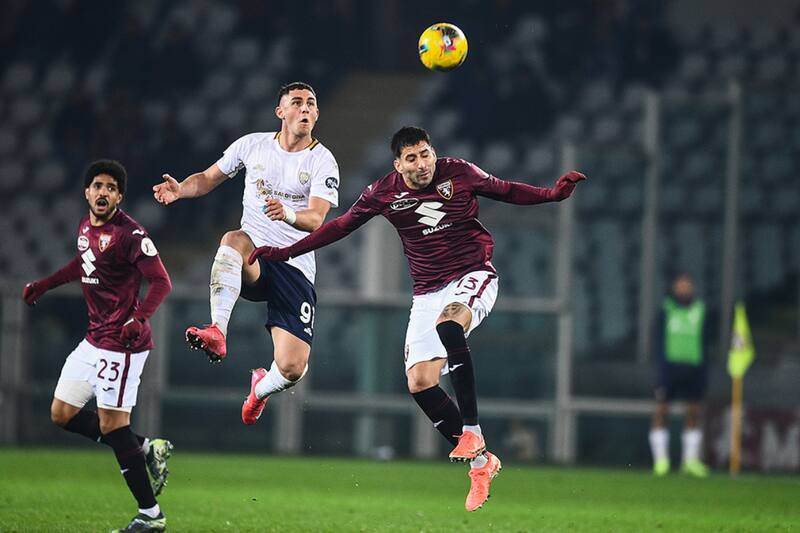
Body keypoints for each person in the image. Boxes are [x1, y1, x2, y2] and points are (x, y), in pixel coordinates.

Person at [246, 126, 586, 511]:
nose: (422, 163)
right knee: (420, 382)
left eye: (426, 154)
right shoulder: (382, 193)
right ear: (398, 164)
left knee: (450, 323)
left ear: (433, 153)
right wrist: (287, 252)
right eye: (412, 158)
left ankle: (471, 433)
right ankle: (481, 463)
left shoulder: (459, 172)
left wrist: (552, 195)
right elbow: (339, 227)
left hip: (473, 274)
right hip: (427, 292)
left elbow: (506, 190)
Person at [152, 82, 339, 425]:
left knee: (292, 368)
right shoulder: (251, 146)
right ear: (280, 112)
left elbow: (316, 220)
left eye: (311, 103)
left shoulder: (322, 160)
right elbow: (208, 178)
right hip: (255, 258)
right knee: (233, 238)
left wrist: (289, 214)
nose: (305, 109)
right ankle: (218, 331)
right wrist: (181, 190)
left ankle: (260, 390)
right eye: (296, 102)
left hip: (294, 266)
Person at [22, 160, 173, 533]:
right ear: (87, 192)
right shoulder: (86, 226)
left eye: (110, 187)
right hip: (92, 339)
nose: (102, 192)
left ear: (119, 196)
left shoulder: (131, 234)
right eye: (97, 186)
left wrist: (139, 318)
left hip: (122, 345)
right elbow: (83, 263)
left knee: (111, 423)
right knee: (62, 413)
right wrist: (45, 284)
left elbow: (161, 282)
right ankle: (145, 446)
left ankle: (150, 516)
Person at [649, 273, 711, 477]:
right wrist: (661, 365)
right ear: (674, 288)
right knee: (661, 411)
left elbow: (705, 341)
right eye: (680, 285)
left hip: (694, 368)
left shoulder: (700, 310)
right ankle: (661, 461)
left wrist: (703, 368)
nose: (684, 289)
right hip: (670, 369)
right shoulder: (666, 310)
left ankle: (690, 461)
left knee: (693, 412)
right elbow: (657, 340)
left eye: (687, 285)